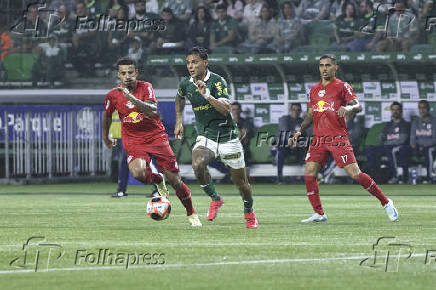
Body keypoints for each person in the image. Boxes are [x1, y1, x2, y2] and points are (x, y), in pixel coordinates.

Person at [290, 55, 398, 223]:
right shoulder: (314, 89)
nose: (324, 68)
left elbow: (358, 105)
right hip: (319, 139)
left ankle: (386, 202)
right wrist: (299, 131)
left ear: (335, 67)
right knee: (309, 174)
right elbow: (311, 114)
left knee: (355, 174)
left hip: (338, 138)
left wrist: (348, 107)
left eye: (328, 65)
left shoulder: (342, 86)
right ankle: (319, 213)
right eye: (321, 65)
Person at [103, 57, 201, 226]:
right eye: (124, 73)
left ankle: (191, 213)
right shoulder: (113, 95)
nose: (128, 76)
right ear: (118, 75)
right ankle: (157, 179)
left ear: (136, 73)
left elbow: (152, 111)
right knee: (138, 173)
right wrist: (106, 136)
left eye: (131, 73)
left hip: (156, 137)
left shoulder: (146, 87)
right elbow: (106, 116)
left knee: (175, 180)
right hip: (133, 140)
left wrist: (131, 98)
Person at [174, 47, 258, 229]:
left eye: (194, 62)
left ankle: (249, 211)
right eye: (188, 62)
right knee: (197, 164)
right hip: (206, 136)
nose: (190, 66)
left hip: (228, 137)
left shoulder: (217, 81)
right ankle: (216, 199)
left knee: (242, 185)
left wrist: (206, 95)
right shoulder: (185, 84)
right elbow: (179, 97)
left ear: (205, 62)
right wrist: (179, 120)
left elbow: (226, 109)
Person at [366, 102, 411, 184]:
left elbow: (402, 140)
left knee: (391, 150)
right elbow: (381, 138)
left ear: (401, 111)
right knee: (370, 149)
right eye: (393, 110)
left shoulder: (405, 124)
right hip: (387, 146)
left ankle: (395, 176)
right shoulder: (388, 124)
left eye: (397, 110)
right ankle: (374, 177)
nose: (395, 112)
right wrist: (383, 140)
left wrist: (387, 142)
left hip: (399, 147)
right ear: (391, 111)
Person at [275, 103, 305, 183]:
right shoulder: (284, 119)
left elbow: (305, 134)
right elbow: (285, 132)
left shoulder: (302, 121)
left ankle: (311, 176)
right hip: (283, 145)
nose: (296, 111)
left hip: (297, 146)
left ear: (301, 111)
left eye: (298, 110)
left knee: (309, 145)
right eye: (293, 109)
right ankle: (279, 176)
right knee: (281, 150)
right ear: (290, 110)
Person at [411, 100, 436, 183]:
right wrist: (415, 145)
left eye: (424, 108)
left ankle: (430, 177)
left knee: (429, 151)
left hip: (431, 147)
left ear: (428, 109)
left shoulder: (434, 121)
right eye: (420, 108)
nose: (422, 110)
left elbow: (434, 139)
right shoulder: (416, 121)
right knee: (404, 150)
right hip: (418, 147)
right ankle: (406, 178)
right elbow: (413, 138)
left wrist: (423, 145)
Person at [231, 101, 254, 166]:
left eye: (237, 109)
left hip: (243, 148)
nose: (235, 112)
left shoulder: (246, 122)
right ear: (231, 111)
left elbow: (243, 135)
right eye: (233, 110)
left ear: (240, 110)